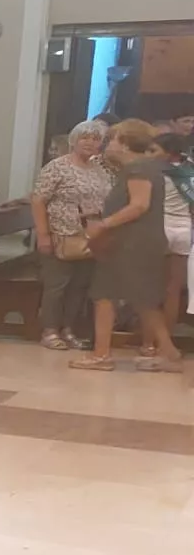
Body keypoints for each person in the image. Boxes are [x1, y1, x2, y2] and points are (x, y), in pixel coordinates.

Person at [71, 120, 181, 372]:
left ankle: (101, 355)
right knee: (139, 298)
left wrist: (103, 224)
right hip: (135, 242)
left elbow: (139, 205)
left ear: (125, 143)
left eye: (113, 139)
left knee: (107, 295)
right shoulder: (146, 167)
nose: (108, 144)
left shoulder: (138, 168)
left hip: (131, 243)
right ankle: (168, 352)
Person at [31, 120, 115, 350]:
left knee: (79, 287)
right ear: (73, 140)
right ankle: (49, 331)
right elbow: (38, 200)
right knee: (57, 286)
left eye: (95, 138)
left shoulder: (100, 169)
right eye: (85, 137)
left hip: (90, 237)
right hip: (61, 234)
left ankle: (68, 329)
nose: (90, 142)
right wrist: (43, 235)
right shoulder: (57, 167)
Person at [157, 132, 190, 322]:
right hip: (184, 230)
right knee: (174, 289)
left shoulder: (158, 174)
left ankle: (148, 341)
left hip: (161, 226)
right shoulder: (190, 173)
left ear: (168, 152)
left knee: (154, 287)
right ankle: (166, 338)